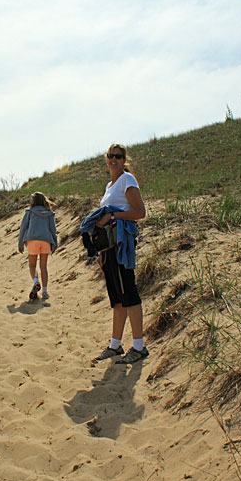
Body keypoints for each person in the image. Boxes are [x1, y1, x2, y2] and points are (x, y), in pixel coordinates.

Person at [80, 144, 148, 365]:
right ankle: (115, 345)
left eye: (118, 156)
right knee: (116, 298)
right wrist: (101, 253)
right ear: (106, 158)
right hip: (108, 246)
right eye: (111, 156)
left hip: (122, 242)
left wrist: (111, 217)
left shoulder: (127, 180)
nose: (114, 159)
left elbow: (140, 212)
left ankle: (139, 347)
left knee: (129, 292)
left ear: (124, 159)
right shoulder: (110, 185)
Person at [18, 192, 58, 301]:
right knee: (43, 266)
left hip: (32, 240)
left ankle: (36, 282)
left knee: (32, 265)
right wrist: (55, 243)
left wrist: (20, 244)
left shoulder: (29, 212)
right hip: (46, 240)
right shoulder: (49, 213)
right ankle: (45, 291)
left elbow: (22, 229)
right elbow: (53, 230)